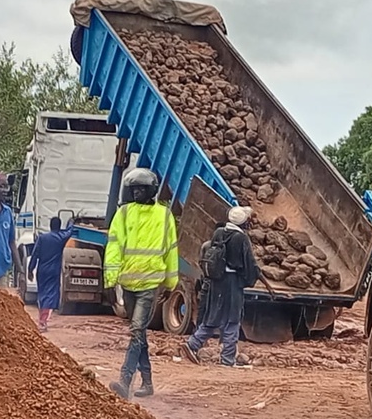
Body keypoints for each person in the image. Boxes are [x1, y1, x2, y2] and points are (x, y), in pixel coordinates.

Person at [106, 168, 179, 400]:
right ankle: (147, 382)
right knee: (140, 334)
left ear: (151, 191)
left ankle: (125, 381)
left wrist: (170, 283)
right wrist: (110, 280)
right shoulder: (124, 214)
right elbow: (114, 247)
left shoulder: (164, 216)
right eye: (134, 189)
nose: (136, 192)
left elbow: (171, 251)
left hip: (150, 284)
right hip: (128, 284)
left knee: (137, 330)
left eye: (141, 189)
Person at [181, 206, 260, 367]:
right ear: (243, 222)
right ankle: (227, 358)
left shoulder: (219, 233)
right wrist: (251, 278)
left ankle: (192, 344)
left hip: (216, 281)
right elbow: (249, 263)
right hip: (232, 282)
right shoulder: (241, 238)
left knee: (213, 316)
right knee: (232, 319)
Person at [28, 216, 75, 332]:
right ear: (59, 226)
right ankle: (43, 322)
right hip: (53, 271)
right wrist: (71, 222)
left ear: (50, 226)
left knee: (42, 293)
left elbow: (35, 254)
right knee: (50, 294)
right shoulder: (61, 238)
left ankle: (41, 320)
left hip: (42, 270)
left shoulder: (42, 238)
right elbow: (69, 232)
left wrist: (30, 269)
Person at [197, 222, 226, 324]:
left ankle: (198, 328)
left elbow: (200, 262)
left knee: (202, 308)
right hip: (219, 285)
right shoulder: (225, 248)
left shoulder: (206, 245)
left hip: (206, 282)